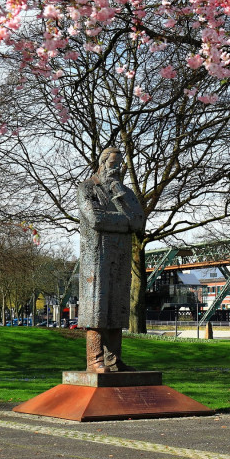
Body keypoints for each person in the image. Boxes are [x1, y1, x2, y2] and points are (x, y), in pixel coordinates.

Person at [77, 148, 145, 372]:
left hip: (121, 254)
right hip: (96, 256)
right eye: (112, 164)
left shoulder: (125, 192)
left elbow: (138, 222)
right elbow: (95, 219)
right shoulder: (87, 188)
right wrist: (125, 222)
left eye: (119, 165)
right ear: (102, 163)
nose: (116, 169)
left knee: (118, 307)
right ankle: (94, 360)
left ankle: (114, 360)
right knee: (96, 309)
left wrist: (121, 201)